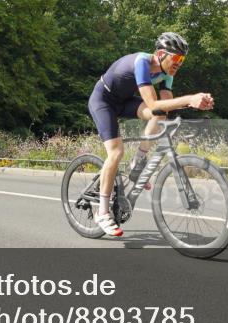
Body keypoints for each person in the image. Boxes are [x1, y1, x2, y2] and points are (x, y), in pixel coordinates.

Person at [88, 32, 215, 237]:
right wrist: (190, 98)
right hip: (103, 101)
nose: (179, 64)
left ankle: (138, 160)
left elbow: (167, 107)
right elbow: (154, 103)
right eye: (176, 58)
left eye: (182, 60)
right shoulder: (142, 63)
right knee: (116, 152)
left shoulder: (168, 74)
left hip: (125, 100)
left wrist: (198, 105)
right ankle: (102, 212)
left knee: (161, 115)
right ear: (160, 54)